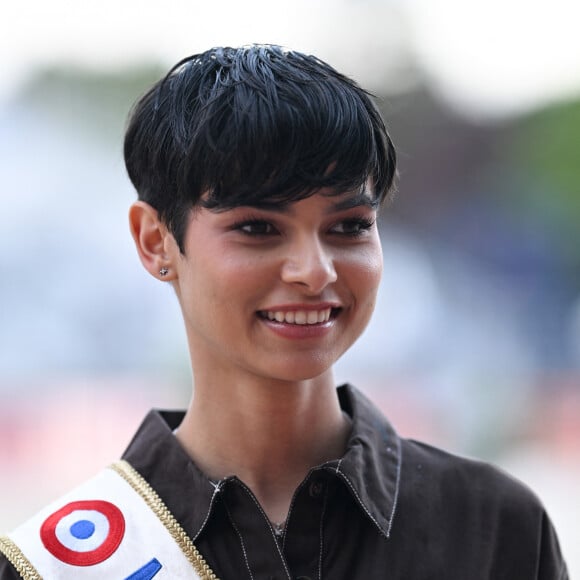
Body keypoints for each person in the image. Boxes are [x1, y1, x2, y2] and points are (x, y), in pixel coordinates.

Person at [0, 44, 568, 579]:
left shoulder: (492, 527)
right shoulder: (57, 564)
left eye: (348, 227)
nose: (314, 270)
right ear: (155, 241)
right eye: (258, 228)